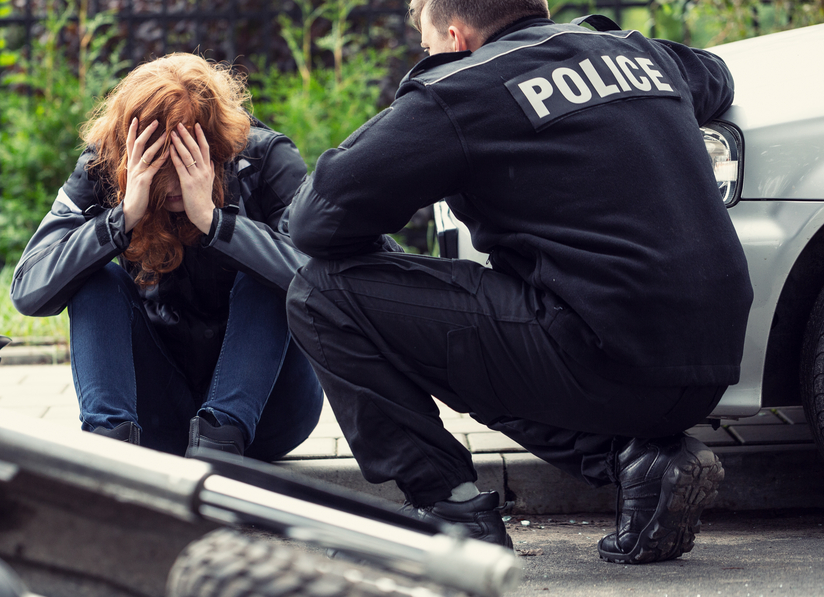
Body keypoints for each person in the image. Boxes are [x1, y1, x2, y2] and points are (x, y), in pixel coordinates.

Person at [284, 0, 753, 564]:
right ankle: (636, 462)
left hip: (603, 361)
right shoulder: (640, 54)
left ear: (456, 38)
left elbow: (315, 221)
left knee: (320, 292)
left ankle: (452, 510)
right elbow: (717, 77)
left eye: (428, 47)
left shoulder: (465, 87)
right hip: (712, 364)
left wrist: (428, 95)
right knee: (507, 332)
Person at [11, 53, 323, 460]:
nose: (174, 182)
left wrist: (215, 223)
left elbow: (319, 280)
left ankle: (220, 441)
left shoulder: (265, 159)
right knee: (96, 278)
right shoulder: (104, 166)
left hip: (269, 413)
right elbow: (29, 290)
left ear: (215, 144)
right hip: (159, 413)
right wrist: (121, 219)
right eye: (160, 164)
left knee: (266, 271)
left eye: (186, 159)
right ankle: (109, 450)